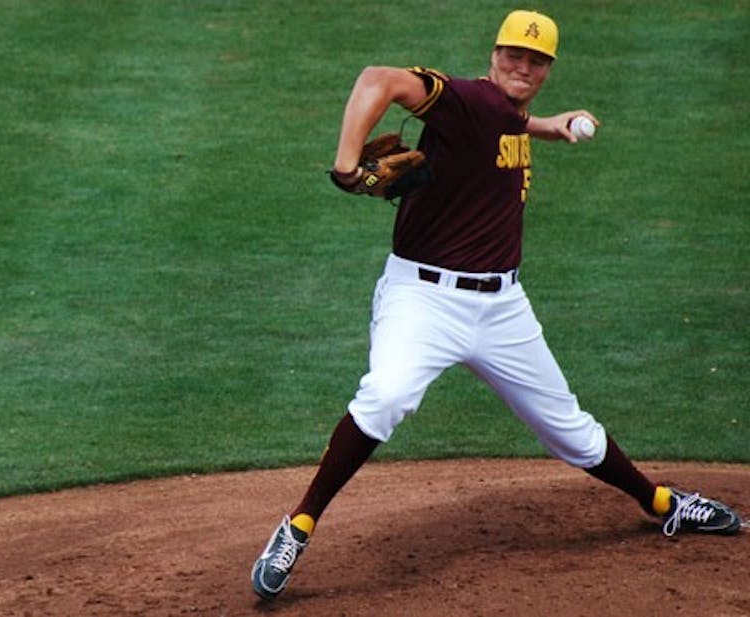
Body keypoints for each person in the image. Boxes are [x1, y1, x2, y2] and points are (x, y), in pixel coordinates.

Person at [250, 9, 743, 602]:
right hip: (424, 300)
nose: (523, 66)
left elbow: (503, 125)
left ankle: (663, 503)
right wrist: (346, 167)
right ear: (494, 55)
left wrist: (546, 126)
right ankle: (298, 526)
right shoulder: (463, 100)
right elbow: (376, 78)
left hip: (502, 307)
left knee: (573, 433)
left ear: (547, 71)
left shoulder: (503, 115)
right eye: (514, 54)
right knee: (387, 395)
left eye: (536, 61)